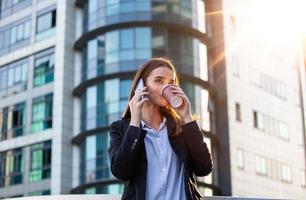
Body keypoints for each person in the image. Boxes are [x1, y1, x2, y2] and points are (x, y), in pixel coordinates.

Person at [108, 57, 213, 200]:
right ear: (141, 86)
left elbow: (204, 168)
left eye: (171, 83)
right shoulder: (121, 128)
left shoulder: (181, 127)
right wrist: (135, 124)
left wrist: (187, 118)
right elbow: (121, 172)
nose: (167, 87)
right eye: (159, 80)